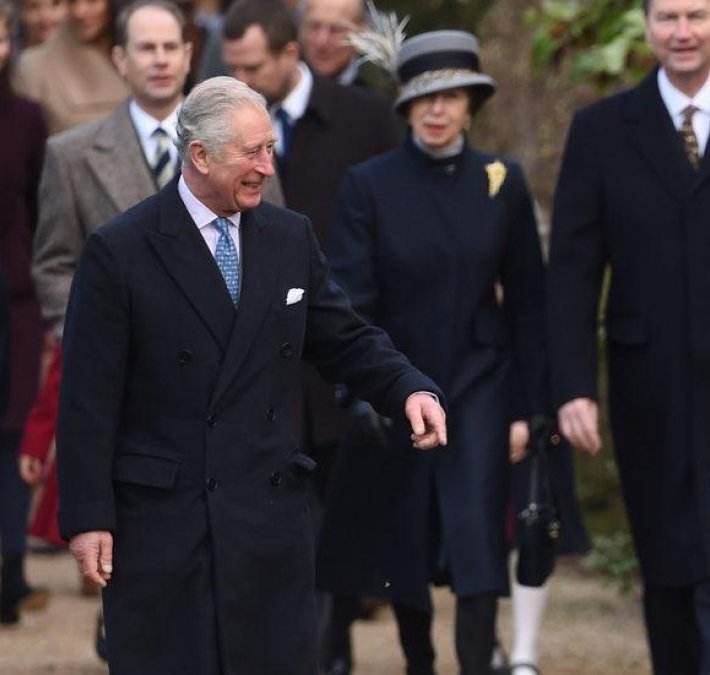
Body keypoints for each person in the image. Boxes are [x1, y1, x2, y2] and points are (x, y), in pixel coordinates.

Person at [55, 75, 448, 675]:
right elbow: (88, 399)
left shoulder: (289, 236)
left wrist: (408, 387)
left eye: (269, 148)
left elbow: (344, 337)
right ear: (200, 155)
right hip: (165, 526)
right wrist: (88, 518)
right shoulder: (120, 250)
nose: (268, 166)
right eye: (252, 152)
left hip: (268, 520)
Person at [545, 0, 710, 671]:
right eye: (667, 17)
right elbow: (573, 270)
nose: (682, 31)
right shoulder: (601, 129)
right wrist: (573, 386)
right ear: (646, 26)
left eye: (696, 15)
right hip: (649, 381)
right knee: (665, 559)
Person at [314, 29, 585, 675]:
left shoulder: (502, 181)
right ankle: (419, 662)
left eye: (452, 95)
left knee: (476, 535)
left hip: (480, 383)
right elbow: (350, 299)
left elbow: (529, 304)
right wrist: (362, 391)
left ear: (471, 104)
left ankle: (476, 663)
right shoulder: (369, 184)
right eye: (423, 96)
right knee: (406, 536)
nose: (437, 109)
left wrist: (531, 407)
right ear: (405, 104)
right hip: (397, 381)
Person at [222, 0, 398, 497]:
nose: (240, 81)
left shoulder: (366, 117)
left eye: (252, 68)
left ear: (288, 54)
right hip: (256, 360)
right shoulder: (220, 127)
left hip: (343, 344)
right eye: (232, 68)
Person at [0, 0, 50, 627]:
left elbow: (41, 210)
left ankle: (11, 569)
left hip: (13, 295)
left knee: (13, 432)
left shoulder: (27, 119)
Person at [12, 0, 127, 134]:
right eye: (72, 2)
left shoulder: (138, 53)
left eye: (92, 1)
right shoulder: (34, 66)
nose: (80, 12)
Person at [298, 0, 389, 96]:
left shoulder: (382, 95)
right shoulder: (289, 90)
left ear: (362, 33)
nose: (321, 42)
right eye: (314, 27)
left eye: (336, 30)